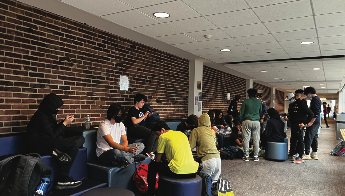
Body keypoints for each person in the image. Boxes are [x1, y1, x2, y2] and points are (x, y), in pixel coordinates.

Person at [26, 93, 84, 190]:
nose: (57, 110)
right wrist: (65, 123)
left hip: (49, 141)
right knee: (73, 146)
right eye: (56, 108)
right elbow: (53, 135)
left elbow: (55, 132)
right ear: (50, 107)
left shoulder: (49, 115)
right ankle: (63, 179)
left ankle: (55, 150)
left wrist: (64, 121)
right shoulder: (40, 116)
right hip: (38, 144)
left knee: (81, 138)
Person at [147, 121, 199, 196]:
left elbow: (157, 160)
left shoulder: (163, 136)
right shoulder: (181, 134)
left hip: (177, 172)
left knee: (152, 165)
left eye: (157, 134)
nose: (157, 137)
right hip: (193, 171)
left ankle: (151, 193)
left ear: (162, 130)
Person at [189, 113, 221, 184]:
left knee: (205, 186)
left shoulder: (196, 130)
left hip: (208, 161)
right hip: (218, 160)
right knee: (213, 185)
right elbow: (215, 144)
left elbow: (190, 146)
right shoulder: (212, 131)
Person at [288, 89, 313, 164]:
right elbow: (293, 115)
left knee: (300, 140)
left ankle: (300, 156)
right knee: (293, 140)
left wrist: (304, 123)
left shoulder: (302, 103)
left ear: (301, 96)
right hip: (294, 124)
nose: (296, 97)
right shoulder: (294, 104)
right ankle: (293, 153)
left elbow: (311, 114)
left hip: (299, 124)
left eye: (298, 96)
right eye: (295, 95)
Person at [237, 88, 262, 162]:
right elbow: (260, 111)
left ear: (249, 94)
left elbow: (241, 113)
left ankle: (246, 156)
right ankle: (256, 156)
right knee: (256, 139)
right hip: (256, 121)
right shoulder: (259, 101)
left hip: (247, 121)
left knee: (246, 139)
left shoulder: (245, 101)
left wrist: (239, 122)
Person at [303, 87, 322, 160]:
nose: (307, 96)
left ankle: (307, 154)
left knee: (308, 137)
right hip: (316, 121)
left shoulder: (315, 100)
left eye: (307, 94)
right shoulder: (315, 99)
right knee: (314, 137)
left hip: (313, 121)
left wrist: (311, 122)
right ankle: (314, 153)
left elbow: (316, 113)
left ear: (310, 93)